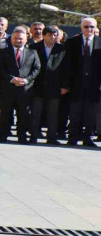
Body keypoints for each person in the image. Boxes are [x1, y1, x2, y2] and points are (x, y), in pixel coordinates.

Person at [0, 27, 41, 144]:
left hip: (25, 90)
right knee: (5, 113)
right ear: (11, 39)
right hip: (7, 89)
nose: (18, 40)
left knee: (23, 115)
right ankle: (2, 136)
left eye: (21, 39)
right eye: (15, 38)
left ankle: (22, 136)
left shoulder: (33, 52)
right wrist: (11, 79)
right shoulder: (4, 52)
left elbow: (37, 68)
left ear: (26, 39)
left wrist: (26, 80)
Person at [62, 17, 101, 147]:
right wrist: (66, 84)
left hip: (94, 85)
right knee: (75, 112)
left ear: (96, 28)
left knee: (90, 114)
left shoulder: (100, 43)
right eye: (86, 27)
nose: (89, 29)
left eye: (92, 27)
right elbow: (66, 65)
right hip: (76, 84)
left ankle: (88, 138)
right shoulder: (72, 42)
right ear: (81, 28)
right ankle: (72, 137)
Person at [31, 26, 66, 144]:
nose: (53, 37)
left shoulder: (62, 49)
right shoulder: (34, 48)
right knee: (36, 113)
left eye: (55, 35)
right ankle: (33, 136)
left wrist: (64, 86)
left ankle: (51, 138)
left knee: (53, 114)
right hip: (37, 87)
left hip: (55, 87)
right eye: (50, 35)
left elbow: (67, 69)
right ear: (44, 35)